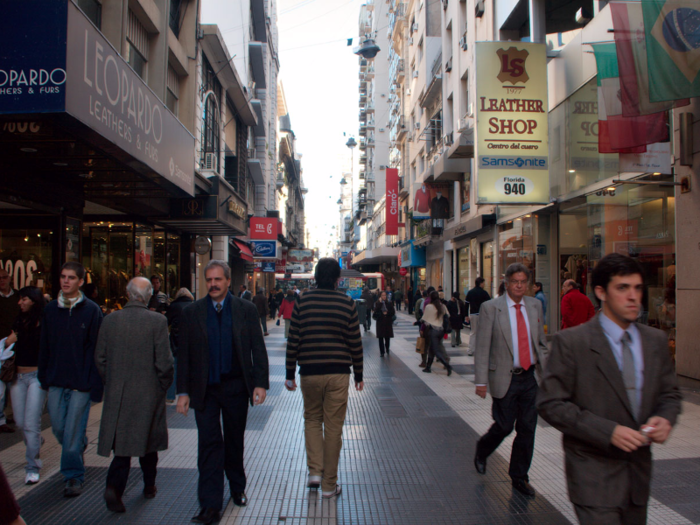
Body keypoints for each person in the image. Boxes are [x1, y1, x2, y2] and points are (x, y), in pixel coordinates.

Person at [537, 254, 682, 524]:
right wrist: (608, 431)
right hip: (593, 477)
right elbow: (550, 403)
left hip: (638, 477)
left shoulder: (655, 341)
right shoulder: (572, 342)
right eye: (622, 288)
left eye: (638, 288)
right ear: (601, 292)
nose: (633, 297)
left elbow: (670, 394)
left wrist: (665, 418)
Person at [176, 260, 269, 525]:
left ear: (228, 281)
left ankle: (237, 487)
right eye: (209, 280)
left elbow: (257, 348)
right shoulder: (192, 312)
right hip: (204, 390)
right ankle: (209, 505)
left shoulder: (246, 310)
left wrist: (259, 383)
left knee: (234, 440)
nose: (213, 284)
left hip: (236, 386)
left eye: (218, 279)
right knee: (208, 444)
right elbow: (184, 356)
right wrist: (182, 391)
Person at [285, 258, 363, 498]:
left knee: (311, 420)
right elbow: (355, 342)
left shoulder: (303, 300)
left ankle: (314, 473)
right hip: (338, 373)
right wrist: (359, 374)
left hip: (309, 372)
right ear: (338, 278)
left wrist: (289, 373)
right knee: (333, 428)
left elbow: (294, 338)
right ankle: (329, 485)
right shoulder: (347, 303)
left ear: (316, 277)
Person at [95, 277, 174, 513]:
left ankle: (114, 487)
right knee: (148, 443)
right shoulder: (157, 321)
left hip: (118, 393)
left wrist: (112, 381)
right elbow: (165, 362)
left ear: (129, 294)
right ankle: (149, 485)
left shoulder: (110, 320)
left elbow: (100, 358)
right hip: (148, 393)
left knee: (123, 447)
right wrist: (162, 386)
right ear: (148, 295)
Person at [473, 263, 548, 498]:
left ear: (528, 284)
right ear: (506, 283)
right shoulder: (491, 308)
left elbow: (541, 343)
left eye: (523, 282)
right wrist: (480, 381)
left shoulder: (535, 306)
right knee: (504, 426)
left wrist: (548, 374)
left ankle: (519, 476)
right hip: (505, 377)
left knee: (527, 429)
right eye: (515, 281)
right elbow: (482, 345)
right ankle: (482, 450)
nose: (519, 286)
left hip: (530, 378)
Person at [38, 262, 103, 498]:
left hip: (81, 383)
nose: (66, 281)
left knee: (72, 432)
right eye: (63, 277)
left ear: (81, 281)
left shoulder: (92, 311)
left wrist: (94, 383)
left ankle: (73, 475)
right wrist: (43, 375)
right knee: (58, 427)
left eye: (71, 278)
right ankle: (78, 445)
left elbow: (98, 349)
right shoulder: (50, 310)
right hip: (56, 379)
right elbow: (44, 344)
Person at [6, 287, 45, 484]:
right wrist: (8, 341)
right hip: (17, 377)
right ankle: (36, 441)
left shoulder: (44, 323)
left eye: (24, 299)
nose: (20, 303)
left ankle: (32, 466)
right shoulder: (18, 321)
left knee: (31, 424)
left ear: (34, 301)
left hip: (37, 377)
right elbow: (8, 345)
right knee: (21, 422)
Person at [165, 288, 194, 403]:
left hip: (176, 341)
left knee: (175, 367)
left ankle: (170, 396)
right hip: (191, 341)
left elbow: (166, 321)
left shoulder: (174, 306)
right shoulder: (194, 306)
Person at [0, 268, 20, 434]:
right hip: (1, 344)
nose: (2, 280)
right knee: (1, 384)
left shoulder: (17, 298)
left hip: (15, 343)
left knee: (12, 380)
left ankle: (11, 413)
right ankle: (1, 418)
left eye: (4, 277)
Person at [420, 290, 452, 375]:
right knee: (432, 349)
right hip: (440, 331)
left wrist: (418, 324)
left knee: (436, 350)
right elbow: (447, 316)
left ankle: (447, 365)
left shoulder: (429, 307)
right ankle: (428, 367)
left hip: (432, 331)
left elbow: (424, 319)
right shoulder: (442, 306)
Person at [465, 277, 491, 357]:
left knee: (473, 332)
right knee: (482, 332)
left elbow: (466, 304)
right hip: (482, 315)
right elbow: (489, 304)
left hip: (473, 314)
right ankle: (481, 350)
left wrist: (466, 315)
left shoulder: (470, 292)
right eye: (483, 283)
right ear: (481, 283)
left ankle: (470, 350)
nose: (484, 284)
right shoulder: (484, 293)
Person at [373, 291, 395, 357]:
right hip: (380, 323)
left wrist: (387, 313)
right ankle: (382, 352)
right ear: (380, 296)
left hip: (387, 322)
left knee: (387, 338)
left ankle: (387, 348)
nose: (384, 297)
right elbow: (376, 310)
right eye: (382, 295)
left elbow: (393, 312)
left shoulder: (389, 303)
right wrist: (380, 303)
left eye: (385, 295)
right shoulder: (377, 303)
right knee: (380, 338)